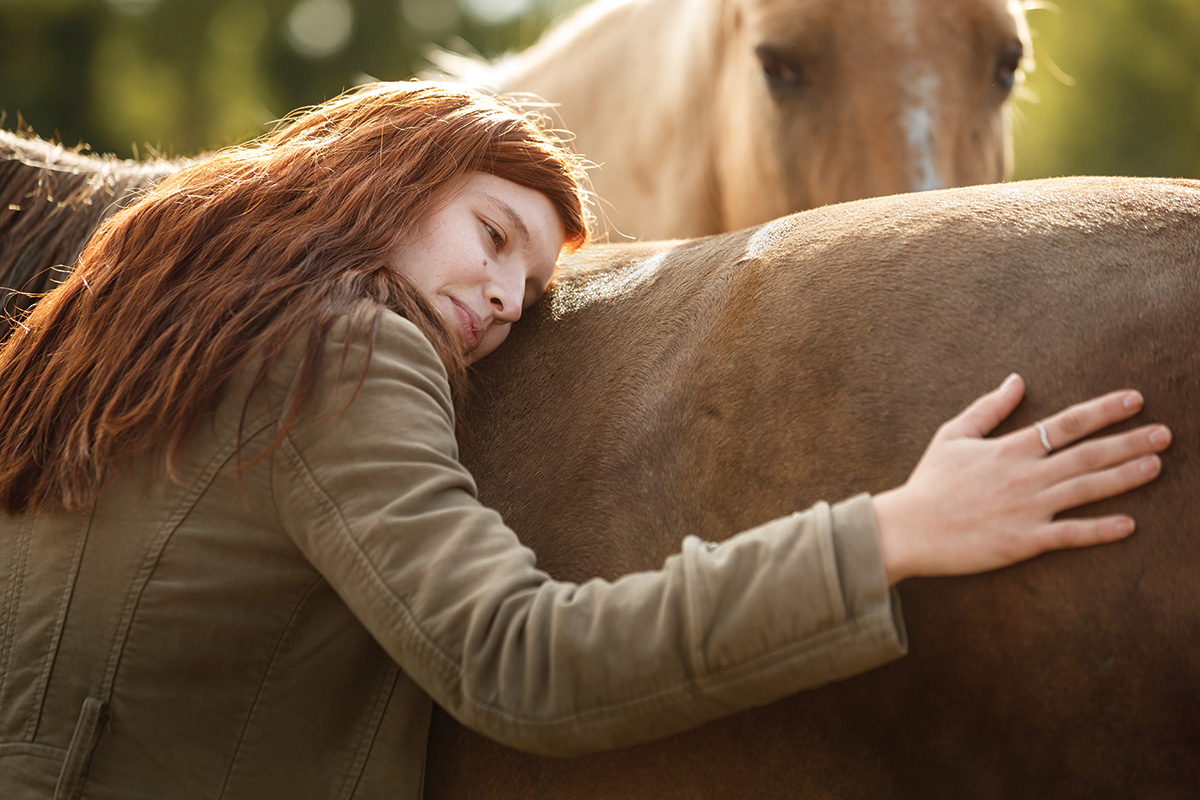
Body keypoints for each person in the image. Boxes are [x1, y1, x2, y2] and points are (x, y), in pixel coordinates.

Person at [0, 81, 1171, 799]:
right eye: (494, 233)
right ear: (381, 178)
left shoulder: (124, 334)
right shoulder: (343, 346)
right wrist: (894, 532)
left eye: (532, 279)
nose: (509, 299)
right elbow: (519, 658)